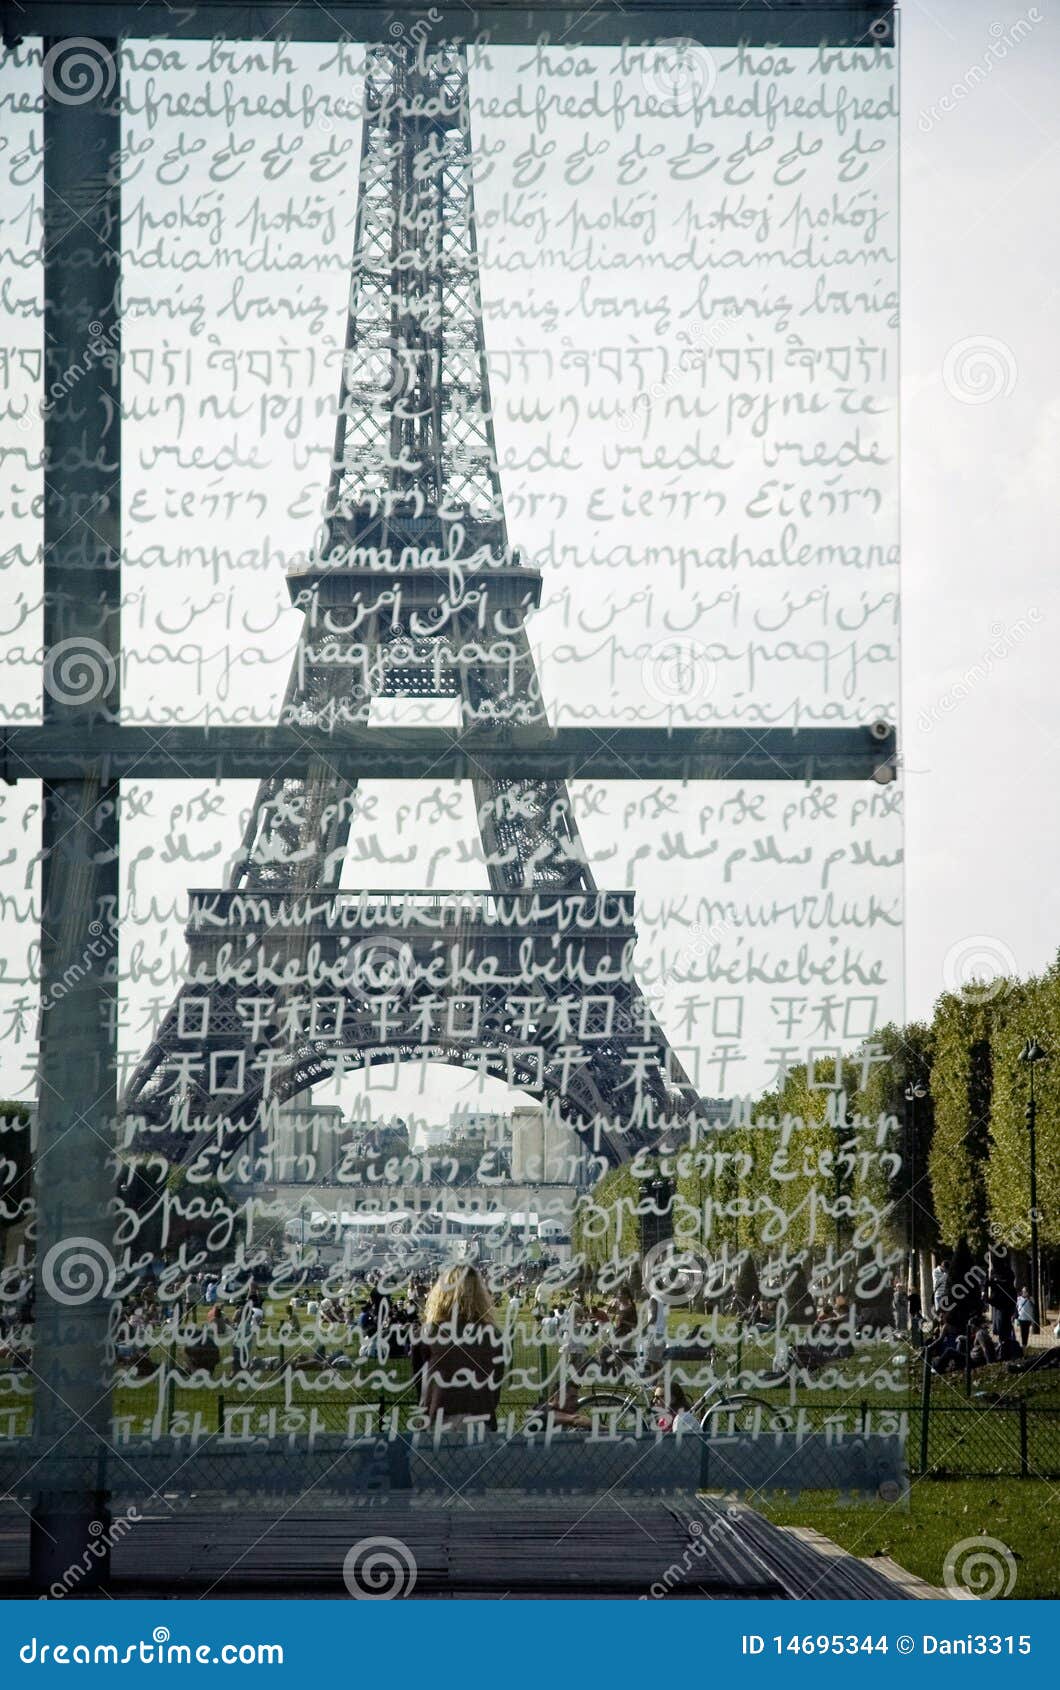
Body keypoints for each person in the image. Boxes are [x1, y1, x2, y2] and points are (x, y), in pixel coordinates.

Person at [413, 1264, 505, 1434]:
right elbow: (495, 1385)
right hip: (479, 1417)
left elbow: (420, 1382)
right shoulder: (493, 1335)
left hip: (437, 1417)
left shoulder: (427, 1333)